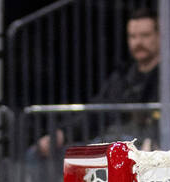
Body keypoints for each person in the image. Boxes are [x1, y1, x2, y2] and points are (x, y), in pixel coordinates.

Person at [35, 6, 163, 162]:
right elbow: (94, 113)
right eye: (133, 36)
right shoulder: (122, 77)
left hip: (147, 144)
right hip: (112, 141)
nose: (138, 42)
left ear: (160, 36)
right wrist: (63, 133)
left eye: (145, 35)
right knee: (44, 153)